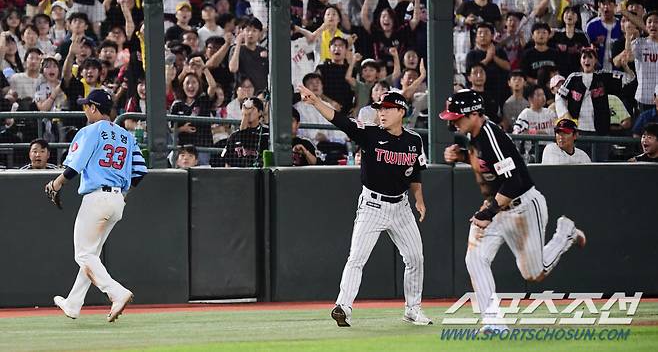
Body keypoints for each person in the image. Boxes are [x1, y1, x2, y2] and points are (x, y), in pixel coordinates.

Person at [440, 89, 585, 332]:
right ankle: (493, 321)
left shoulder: (490, 136)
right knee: (475, 258)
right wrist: (464, 156)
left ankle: (565, 234)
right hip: (497, 206)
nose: (453, 122)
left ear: (475, 114)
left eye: (457, 117)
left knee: (534, 273)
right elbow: (490, 166)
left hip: (522, 207)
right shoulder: (475, 135)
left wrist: (488, 213)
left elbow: (513, 182)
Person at [297, 86, 431, 327]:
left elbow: (415, 173)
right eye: (379, 109)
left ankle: (413, 309)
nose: (382, 113)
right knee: (357, 257)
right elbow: (340, 121)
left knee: (415, 258)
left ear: (401, 111)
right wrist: (317, 102)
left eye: (388, 109)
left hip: (401, 207)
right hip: (372, 205)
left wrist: (419, 199)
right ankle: (343, 307)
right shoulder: (369, 133)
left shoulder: (414, 140)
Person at [47, 89, 147, 322]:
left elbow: (75, 167)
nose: (84, 110)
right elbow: (141, 171)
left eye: (86, 106)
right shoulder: (126, 135)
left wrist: (56, 184)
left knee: (83, 255)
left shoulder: (91, 131)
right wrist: (123, 195)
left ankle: (117, 293)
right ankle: (73, 304)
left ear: (93, 108)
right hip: (116, 200)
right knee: (90, 255)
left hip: (96, 198)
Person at [221, 97, 269, 168]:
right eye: (245, 109)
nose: (248, 112)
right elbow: (227, 164)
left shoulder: (266, 134)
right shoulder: (234, 136)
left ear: (260, 112)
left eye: (252, 109)